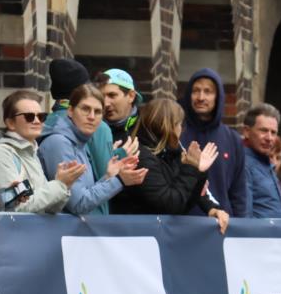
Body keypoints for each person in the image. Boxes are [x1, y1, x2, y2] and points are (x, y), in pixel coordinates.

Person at [111, 98, 229, 232]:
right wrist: (191, 167)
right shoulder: (140, 157)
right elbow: (171, 205)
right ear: (168, 126)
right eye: (179, 124)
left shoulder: (172, 152)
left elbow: (185, 200)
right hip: (138, 237)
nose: (182, 129)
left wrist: (200, 174)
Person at [38, 84, 147, 216]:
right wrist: (119, 180)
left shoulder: (79, 140)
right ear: (70, 111)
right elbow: (79, 204)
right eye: (85, 109)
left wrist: (108, 177)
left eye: (98, 112)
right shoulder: (59, 143)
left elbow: (85, 192)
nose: (91, 116)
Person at [0, 90, 84, 214]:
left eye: (41, 116)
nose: (37, 121)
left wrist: (65, 185)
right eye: (29, 116)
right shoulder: (0, 153)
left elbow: (49, 209)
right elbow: (17, 208)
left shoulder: (31, 152)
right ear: (10, 123)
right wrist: (59, 185)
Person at [180, 68, 250, 217]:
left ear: (218, 96)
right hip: (182, 224)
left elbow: (239, 192)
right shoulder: (177, 133)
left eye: (208, 91)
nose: (201, 97)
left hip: (222, 225)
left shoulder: (233, 139)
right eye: (195, 91)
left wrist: (240, 227)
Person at [44, 59, 114, 182]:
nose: (92, 116)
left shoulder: (45, 123)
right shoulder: (98, 126)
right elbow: (105, 175)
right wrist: (120, 158)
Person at [242, 103, 281, 219]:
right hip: (259, 236)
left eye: (273, 132)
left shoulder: (266, 163)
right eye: (263, 130)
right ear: (247, 132)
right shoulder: (244, 164)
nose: (269, 138)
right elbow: (244, 217)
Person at [98, 69, 140, 146]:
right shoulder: (92, 130)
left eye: (112, 95)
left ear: (131, 96)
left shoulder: (148, 129)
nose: (105, 103)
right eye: (101, 97)